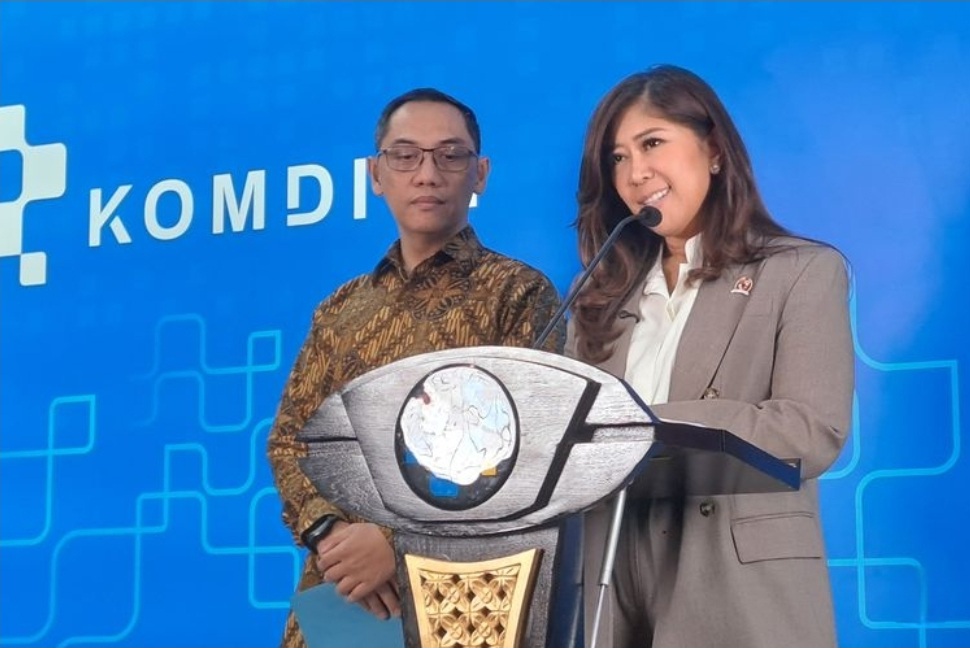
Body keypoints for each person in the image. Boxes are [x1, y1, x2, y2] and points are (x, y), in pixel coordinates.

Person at [266, 87, 565, 648]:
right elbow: (291, 441)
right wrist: (330, 533)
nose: (427, 174)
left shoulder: (518, 294)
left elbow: (528, 452)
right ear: (376, 174)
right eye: (405, 156)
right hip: (341, 592)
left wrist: (393, 542)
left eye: (450, 155)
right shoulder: (340, 309)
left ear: (480, 174)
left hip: (466, 598)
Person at [567, 65, 853, 647]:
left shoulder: (801, 271)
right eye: (618, 158)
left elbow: (810, 430)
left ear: (715, 150)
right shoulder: (596, 294)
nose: (635, 173)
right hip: (608, 577)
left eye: (652, 143)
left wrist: (652, 426)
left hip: (734, 580)